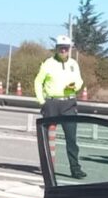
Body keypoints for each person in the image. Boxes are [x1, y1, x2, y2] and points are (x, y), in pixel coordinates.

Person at [34, 35, 85, 178]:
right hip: (51, 103)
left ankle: (75, 169)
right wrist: (41, 101)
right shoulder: (48, 63)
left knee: (71, 139)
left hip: (68, 103)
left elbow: (80, 81)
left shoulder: (74, 64)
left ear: (70, 49)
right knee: (46, 139)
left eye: (66, 48)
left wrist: (76, 86)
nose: (63, 51)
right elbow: (38, 82)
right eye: (60, 48)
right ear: (56, 49)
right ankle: (46, 168)